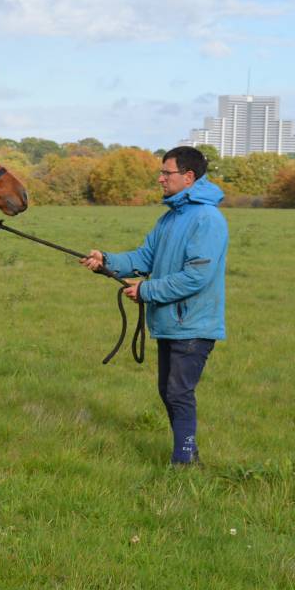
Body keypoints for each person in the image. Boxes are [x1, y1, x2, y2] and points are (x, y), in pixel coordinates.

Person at [80, 147, 228, 466]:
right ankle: (189, 455)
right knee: (169, 392)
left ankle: (184, 460)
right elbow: (144, 258)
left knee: (178, 393)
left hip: (194, 324)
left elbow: (196, 276)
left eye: (167, 173)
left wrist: (147, 291)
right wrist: (106, 261)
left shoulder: (207, 220)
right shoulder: (170, 218)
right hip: (170, 323)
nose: (160, 178)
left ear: (188, 178)